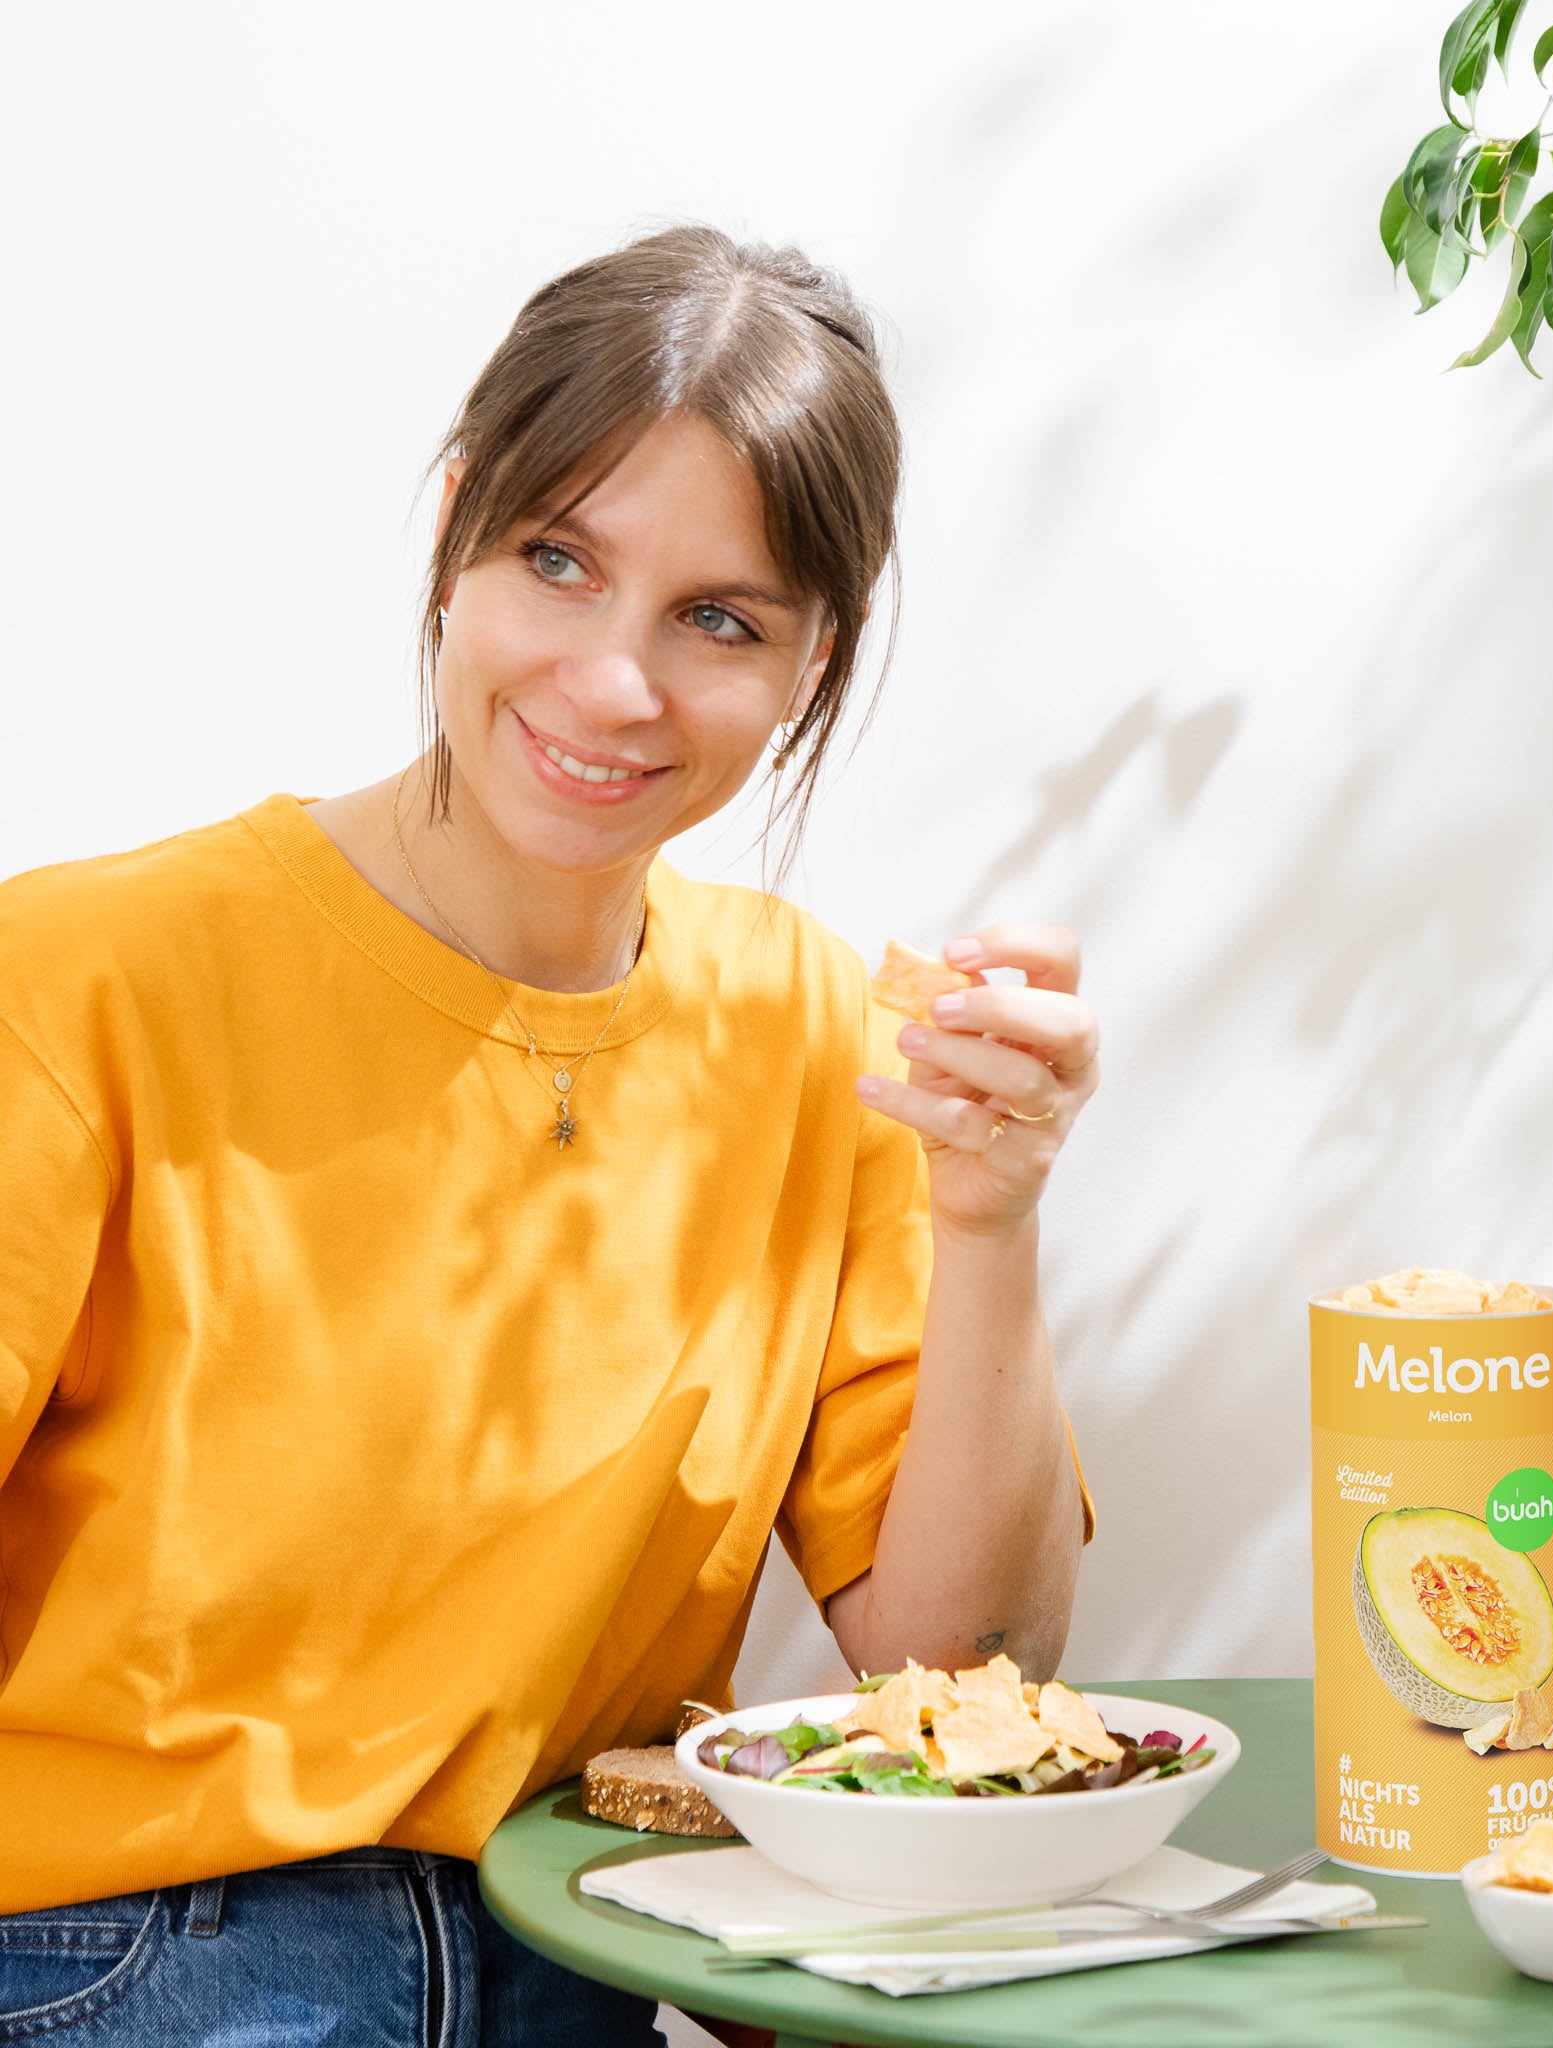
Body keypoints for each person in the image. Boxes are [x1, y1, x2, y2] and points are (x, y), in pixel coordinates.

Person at [0, 223, 1095, 2044]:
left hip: (591, 1963)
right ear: (454, 536)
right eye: (558, 561)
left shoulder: (821, 1032)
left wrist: (990, 1220)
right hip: (120, 1962)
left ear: (811, 662)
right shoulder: (76, 981)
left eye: (719, 619)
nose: (613, 684)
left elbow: (959, 1674)